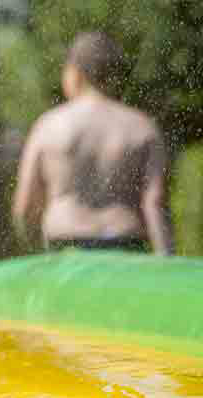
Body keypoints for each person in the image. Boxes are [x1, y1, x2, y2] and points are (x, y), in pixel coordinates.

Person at [12, 32, 173, 255]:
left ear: (74, 74)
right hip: (125, 246)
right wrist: (165, 260)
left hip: (65, 246)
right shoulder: (142, 127)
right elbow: (155, 204)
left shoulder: (48, 126)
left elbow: (24, 207)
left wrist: (34, 257)